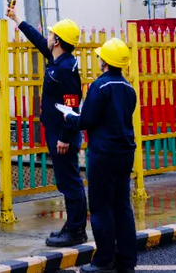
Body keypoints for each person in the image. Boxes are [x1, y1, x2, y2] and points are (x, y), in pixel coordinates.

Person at [6, 7, 88, 246]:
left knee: (70, 182)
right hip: (56, 131)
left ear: (58, 41)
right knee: (66, 181)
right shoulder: (58, 59)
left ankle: (76, 231)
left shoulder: (66, 69)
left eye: (51, 34)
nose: (48, 37)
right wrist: (17, 19)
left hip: (63, 134)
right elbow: (38, 40)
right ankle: (73, 226)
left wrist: (65, 136)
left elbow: (72, 106)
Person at [58, 38, 137, 273]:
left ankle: (103, 260)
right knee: (123, 206)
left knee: (101, 208)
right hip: (125, 153)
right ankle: (127, 261)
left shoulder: (100, 86)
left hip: (103, 155)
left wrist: (70, 118)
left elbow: (87, 120)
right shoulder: (129, 88)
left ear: (105, 62)